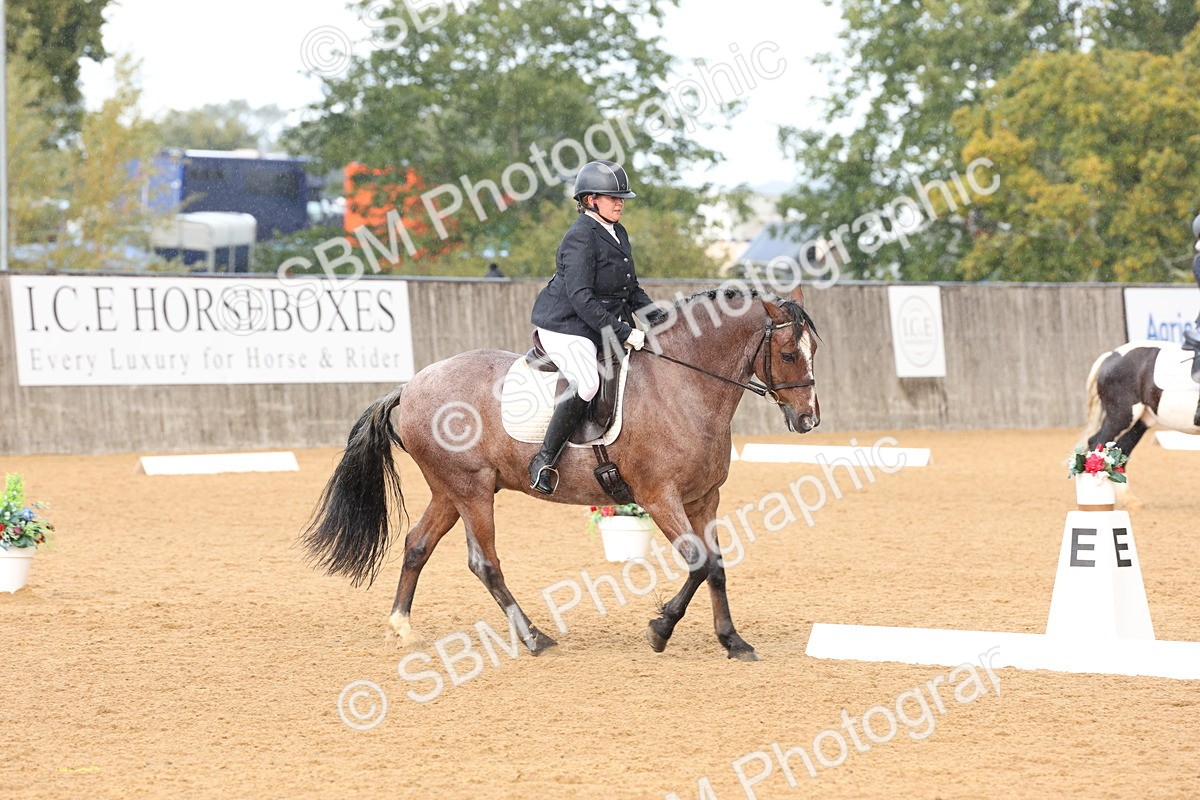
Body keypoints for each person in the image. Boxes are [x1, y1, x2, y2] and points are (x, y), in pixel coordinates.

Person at [526, 160, 653, 494]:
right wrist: (625, 332)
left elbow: (631, 289)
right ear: (591, 199)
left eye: (621, 197)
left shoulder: (617, 231)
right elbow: (582, 298)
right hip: (566, 325)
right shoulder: (580, 237)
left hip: (598, 323)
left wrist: (659, 320)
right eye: (613, 197)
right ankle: (543, 460)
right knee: (586, 383)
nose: (620, 202)